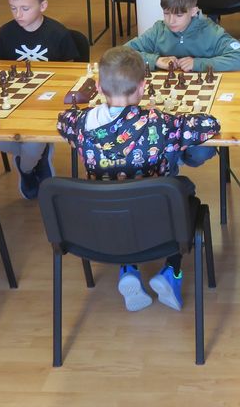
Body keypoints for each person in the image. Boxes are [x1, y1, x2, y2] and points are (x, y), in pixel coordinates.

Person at [57, 47, 221, 312]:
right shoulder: (160, 124)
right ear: (142, 87)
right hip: (158, 225)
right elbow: (210, 125)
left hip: (101, 223)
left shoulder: (80, 125)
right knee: (182, 190)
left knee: (120, 198)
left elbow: (62, 120)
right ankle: (171, 272)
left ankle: (128, 269)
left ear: (98, 87)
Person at [0, 0, 79, 199]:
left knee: (31, 141)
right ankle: (37, 155)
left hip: (49, 103)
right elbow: (0, 68)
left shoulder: (58, 33)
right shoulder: (5, 32)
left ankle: (27, 168)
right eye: (13, 8)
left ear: (43, 6)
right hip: (15, 99)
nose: (18, 15)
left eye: (25, 8)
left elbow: (71, 73)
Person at [126, 0, 240, 72]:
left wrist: (198, 64)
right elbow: (122, 53)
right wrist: (156, 60)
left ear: (193, 11)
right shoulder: (158, 31)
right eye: (166, 13)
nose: (171, 21)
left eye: (179, 15)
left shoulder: (211, 32)